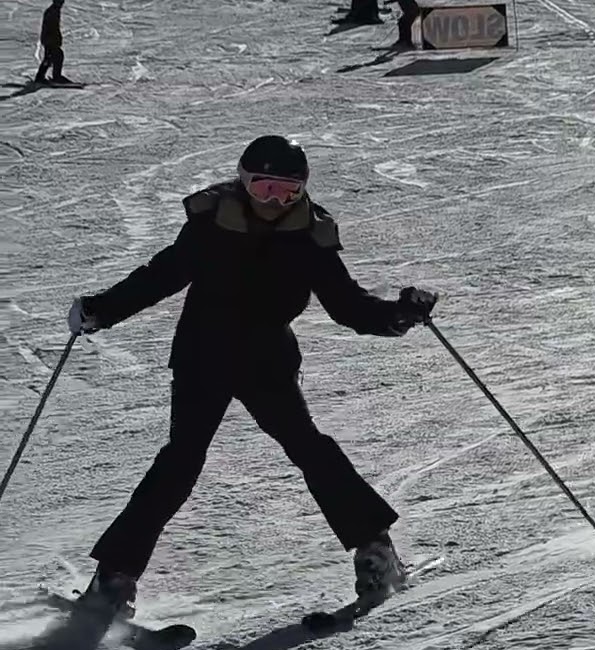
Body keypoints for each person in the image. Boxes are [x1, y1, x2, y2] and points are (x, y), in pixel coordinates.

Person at [67, 135, 439, 618]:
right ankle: (114, 579)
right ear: (244, 182)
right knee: (180, 461)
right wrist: (102, 310)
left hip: (267, 361)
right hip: (204, 355)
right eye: (264, 189)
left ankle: (376, 550)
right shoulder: (212, 222)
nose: (275, 202)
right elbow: (161, 275)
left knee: (310, 448)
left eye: (287, 191)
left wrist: (397, 316)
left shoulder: (311, 235)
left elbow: (347, 305)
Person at [35, 0, 70, 85]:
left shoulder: (54, 10)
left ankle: (41, 77)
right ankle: (56, 77)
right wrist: (55, 39)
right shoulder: (52, 11)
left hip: (49, 39)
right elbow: (52, 27)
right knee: (57, 55)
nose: (62, 3)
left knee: (49, 58)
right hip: (50, 39)